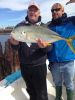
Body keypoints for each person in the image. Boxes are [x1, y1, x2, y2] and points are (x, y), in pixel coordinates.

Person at [9, 2, 51, 100]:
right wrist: (14, 44)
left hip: (39, 66)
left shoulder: (45, 27)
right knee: (31, 91)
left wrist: (44, 47)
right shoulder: (20, 26)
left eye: (35, 10)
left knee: (42, 94)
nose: (32, 12)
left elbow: (49, 49)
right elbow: (15, 47)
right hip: (24, 66)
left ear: (39, 13)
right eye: (30, 10)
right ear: (27, 12)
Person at [47, 3, 75, 100]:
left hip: (68, 61)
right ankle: (58, 98)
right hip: (54, 62)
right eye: (52, 10)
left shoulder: (72, 21)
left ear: (63, 11)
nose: (54, 12)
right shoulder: (48, 26)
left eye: (57, 9)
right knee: (57, 83)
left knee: (69, 84)